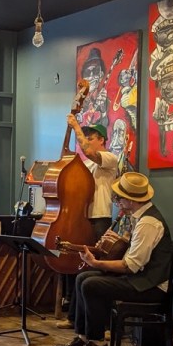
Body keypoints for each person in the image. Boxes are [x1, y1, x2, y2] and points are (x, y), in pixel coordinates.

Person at [53, 172, 172, 346]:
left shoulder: (148, 223)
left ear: (131, 200)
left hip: (150, 286)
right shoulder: (140, 218)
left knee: (91, 284)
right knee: (83, 276)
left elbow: (130, 266)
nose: (117, 201)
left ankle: (97, 343)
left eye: (119, 197)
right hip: (140, 279)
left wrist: (96, 262)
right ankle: (83, 338)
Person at [56, 115, 120, 329]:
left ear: (101, 139)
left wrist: (75, 126)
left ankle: (104, 325)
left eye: (89, 137)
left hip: (100, 221)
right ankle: (75, 318)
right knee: (81, 269)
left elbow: (90, 152)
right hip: (83, 220)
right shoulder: (88, 167)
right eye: (84, 138)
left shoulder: (110, 159)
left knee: (99, 272)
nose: (85, 142)